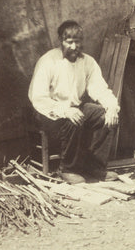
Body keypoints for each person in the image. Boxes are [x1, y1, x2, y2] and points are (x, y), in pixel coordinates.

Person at [28, 20, 120, 184]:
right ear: (60, 41)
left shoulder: (87, 62)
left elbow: (99, 89)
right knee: (74, 118)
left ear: (82, 42)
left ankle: (95, 166)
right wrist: (64, 110)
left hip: (74, 108)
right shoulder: (48, 61)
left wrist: (112, 107)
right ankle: (68, 169)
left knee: (105, 115)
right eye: (68, 42)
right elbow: (38, 97)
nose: (73, 46)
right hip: (48, 112)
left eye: (77, 42)